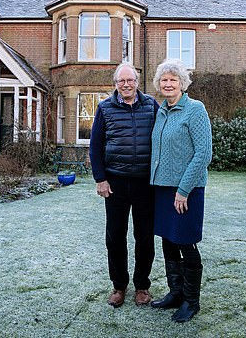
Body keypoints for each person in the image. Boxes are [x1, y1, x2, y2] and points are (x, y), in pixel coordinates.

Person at [89, 62, 159, 308]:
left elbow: (164, 137)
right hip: (115, 183)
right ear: (115, 84)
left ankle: (142, 286)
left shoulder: (151, 105)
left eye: (130, 81)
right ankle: (119, 286)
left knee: (145, 237)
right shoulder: (105, 108)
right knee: (115, 237)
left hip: (145, 183)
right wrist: (100, 178)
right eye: (122, 81)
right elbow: (95, 146)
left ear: (137, 83)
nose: (126, 85)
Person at [149, 59, 212, 323]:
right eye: (164, 80)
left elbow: (203, 153)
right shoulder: (161, 111)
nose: (168, 83)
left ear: (182, 84)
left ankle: (191, 301)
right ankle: (175, 293)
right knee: (168, 240)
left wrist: (183, 190)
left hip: (187, 190)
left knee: (186, 241)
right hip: (163, 189)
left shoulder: (195, 109)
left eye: (173, 79)